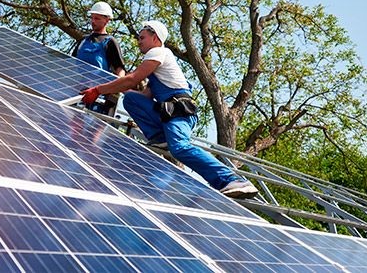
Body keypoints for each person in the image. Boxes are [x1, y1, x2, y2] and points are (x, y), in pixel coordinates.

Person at [81, 20, 258, 199]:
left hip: (179, 112)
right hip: (168, 112)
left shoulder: (159, 52)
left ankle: (233, 180)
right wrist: (114, 87)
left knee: (180, 147)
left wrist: (98, 90)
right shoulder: (158, 69)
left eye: (142, 37)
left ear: (155, 38)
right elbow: (144, 96)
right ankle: (160, 138)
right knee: (132, 99)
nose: (138, 41)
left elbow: (132, 79)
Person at [72, 1, 126, 115]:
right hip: (77, 93)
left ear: (107, 20)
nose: (93, 21)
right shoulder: (83, 41)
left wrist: (113, 92)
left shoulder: (110, 42)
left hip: (99, 97)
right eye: (92, 18)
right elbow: (70, 65)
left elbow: (120, 70)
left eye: (97, 18)